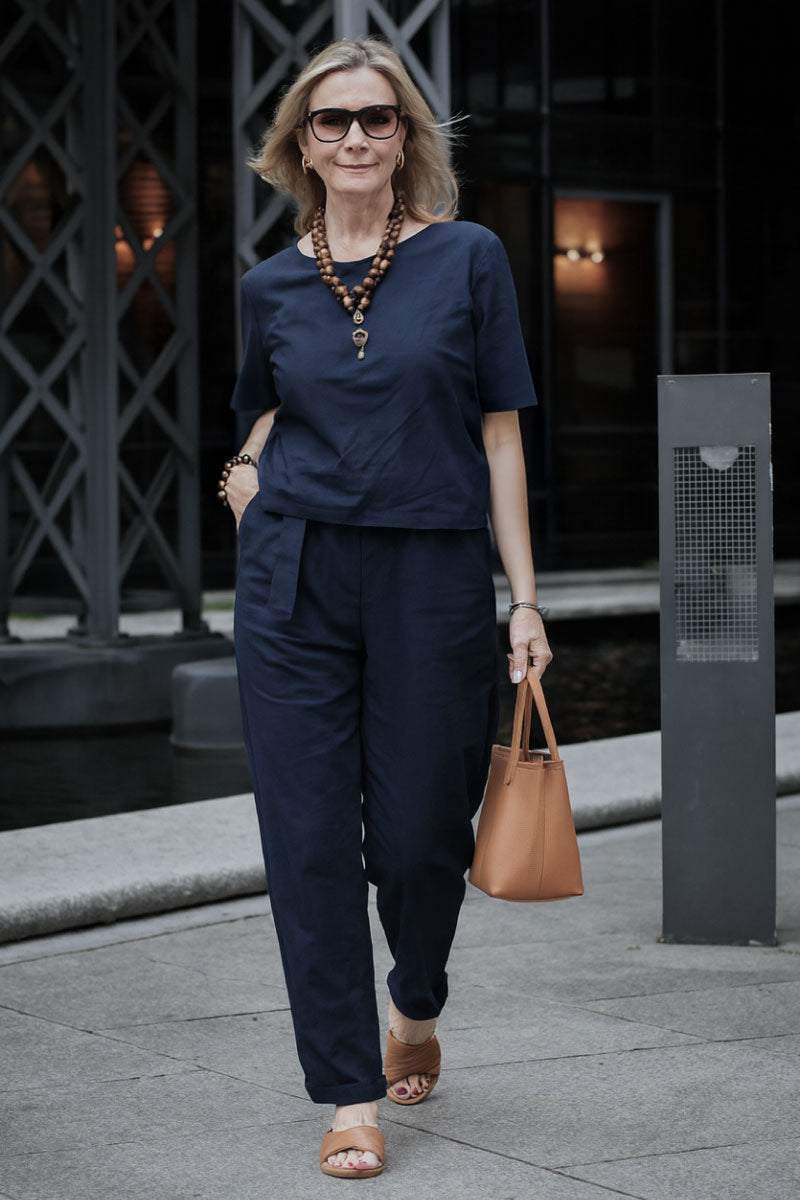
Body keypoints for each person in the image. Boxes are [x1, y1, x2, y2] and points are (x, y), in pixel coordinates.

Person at [219, 35, 553, 1179]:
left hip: (432, 576)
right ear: (299, 147)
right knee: (307, 842)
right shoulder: (269, 285)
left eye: (375, 118)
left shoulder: (466, 259)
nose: (354, 137)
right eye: (330, 122)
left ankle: (413, 1000)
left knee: (418, 836)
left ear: (403, 136)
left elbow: (499, 434)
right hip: (293, 578)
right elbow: (263, 412)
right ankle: (347, 1089)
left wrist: (524, 599)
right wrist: (244, 482)